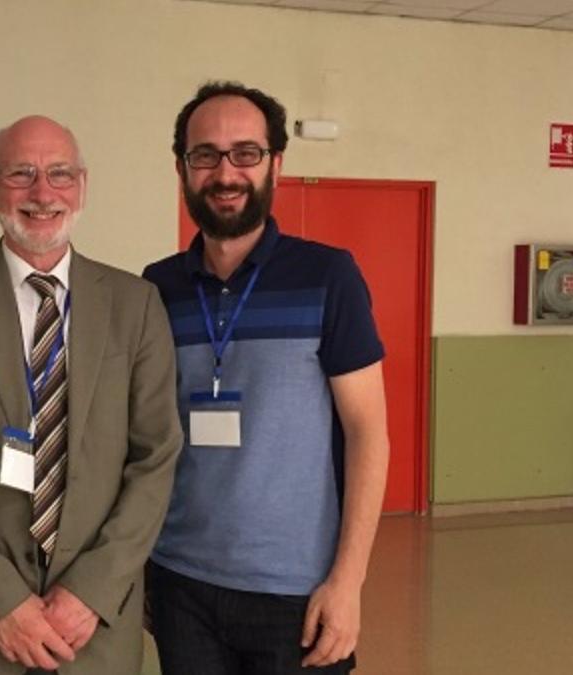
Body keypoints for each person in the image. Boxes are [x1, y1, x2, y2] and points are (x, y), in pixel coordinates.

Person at [0, 115, 182, 674]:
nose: (42, 192)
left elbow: (156, 457)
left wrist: (92, 591)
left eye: (59, 174)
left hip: (92, 626)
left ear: (83, 186)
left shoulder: (135, 302)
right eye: (21, 173)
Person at [142, 81, 390, 675]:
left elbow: (368, 434)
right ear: (182, 168)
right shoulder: (156, 288)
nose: (225, 173)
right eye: (205, 155)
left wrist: (348, 583)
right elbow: (145, 437)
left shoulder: (329, 276)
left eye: (245, 153)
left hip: (297, 592)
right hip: (181, 583)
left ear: (276, 163)